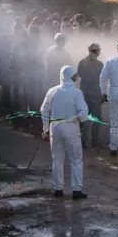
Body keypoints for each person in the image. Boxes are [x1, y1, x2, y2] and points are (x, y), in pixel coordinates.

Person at [40, 65, 89, 199]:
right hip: (71, 127)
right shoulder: (77, 92)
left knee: (57, 159)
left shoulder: (52, 91)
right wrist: (83, 118)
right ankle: (77, 190)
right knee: (76, 159)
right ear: (69, 76)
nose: (76, 77)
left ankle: (58, 189)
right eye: (74, 75)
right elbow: (83, 113)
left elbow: (43, 110)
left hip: (54, 127)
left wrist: (45, 128)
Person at [77, 43, 104, 149]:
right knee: (96, 118)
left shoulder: (82, 62)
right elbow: (102, 79)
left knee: (84, 117)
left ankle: (83, 142)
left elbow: (79, 75)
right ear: (96, 51)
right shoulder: (100, 65)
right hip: (95, 93)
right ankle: (94, 142)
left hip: (83, 92)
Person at [44, 33, 72, 98]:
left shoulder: (49, 49)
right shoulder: (64, 53)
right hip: (57, 78)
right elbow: (69, 65)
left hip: (50, 77)